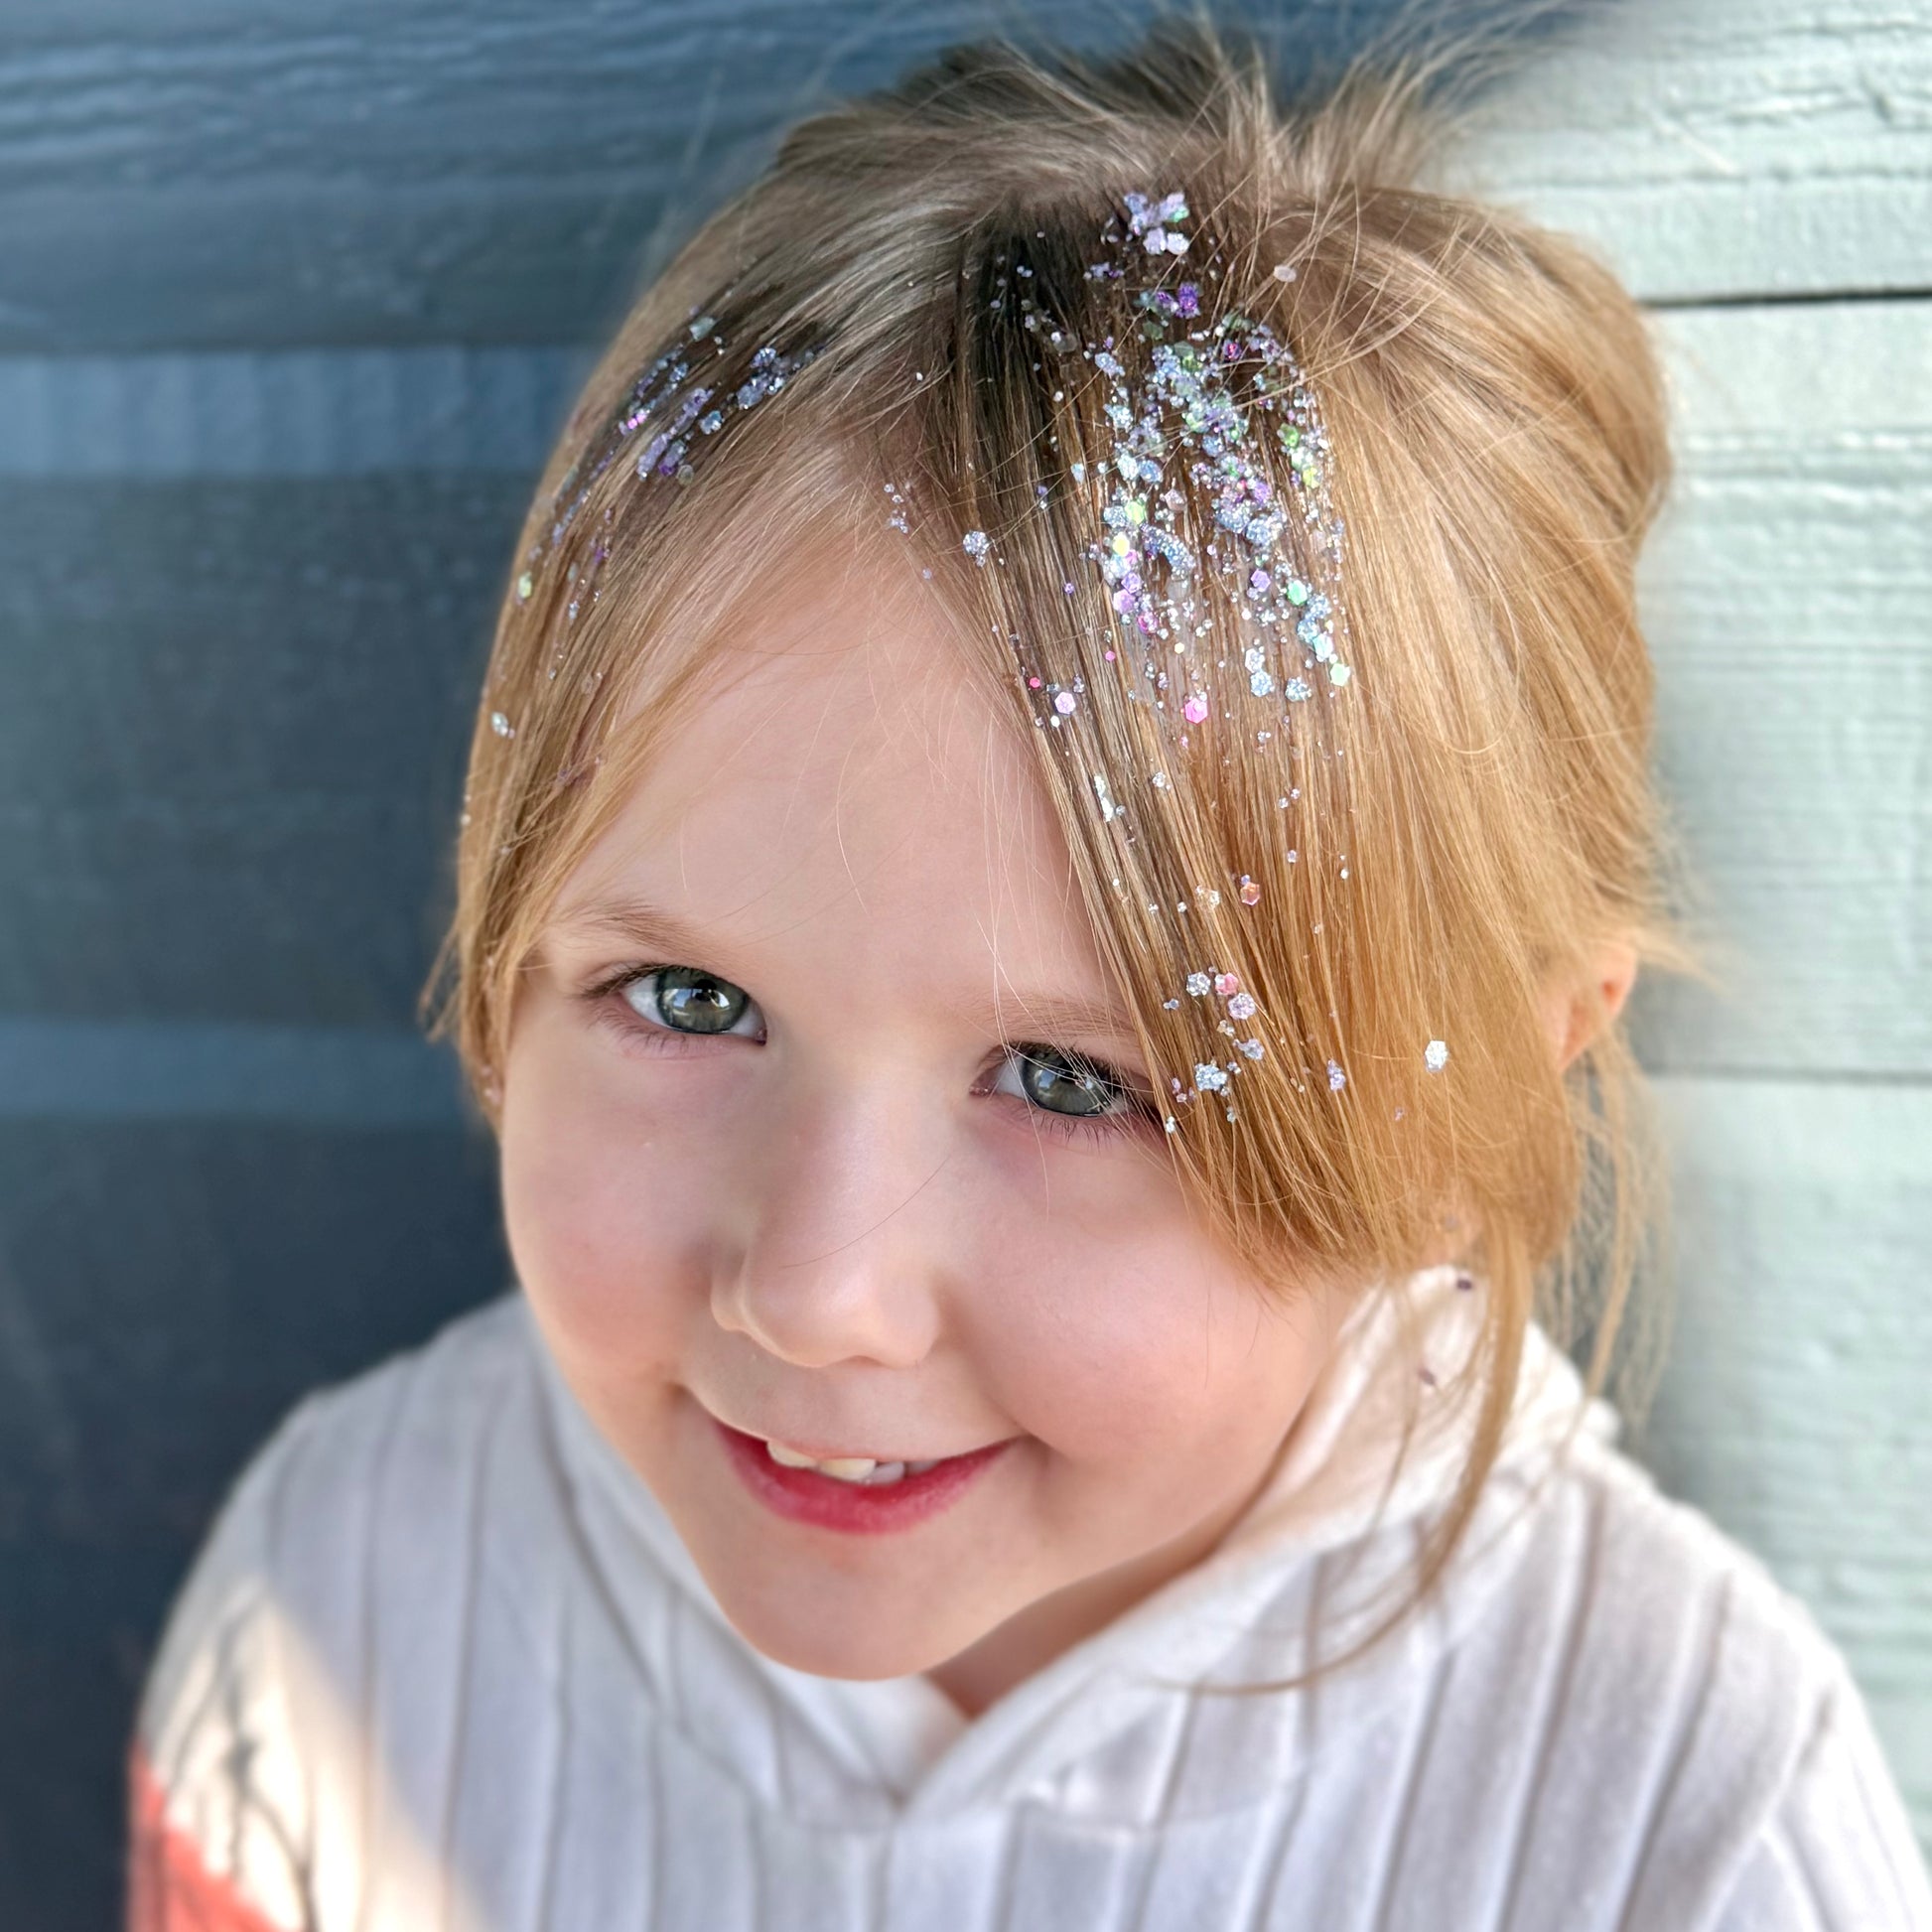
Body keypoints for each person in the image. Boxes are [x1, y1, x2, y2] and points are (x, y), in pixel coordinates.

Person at [124, 14, 1932, 1930]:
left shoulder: (1682, 1828)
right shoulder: (345, 1605)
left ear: (1466, 1105)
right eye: (687, 999)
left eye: (1076, 1081)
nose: (816, 1295)